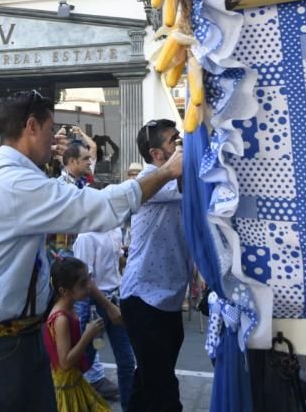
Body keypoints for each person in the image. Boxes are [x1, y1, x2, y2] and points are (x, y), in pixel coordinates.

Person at [0, 90, 183, 411]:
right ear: (31, 126)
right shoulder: (15, 183)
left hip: (7, 338)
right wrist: (166, 172)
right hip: (2, 345)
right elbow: (98, 207)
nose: (56, 141)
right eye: (51, 131)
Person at [120, 119, 192, 412]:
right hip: (145, 299)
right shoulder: (151, 181)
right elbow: (194, 178)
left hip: (165, 298)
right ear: (157, 154)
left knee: (148, 378)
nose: (182, 145)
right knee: (162, 388)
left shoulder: (172, 180)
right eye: (175, 141)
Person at [60, 140, 126, 402]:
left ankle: (91, 376)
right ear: (72, 162)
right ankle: (84, 379)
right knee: (79, 326)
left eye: (90, 158)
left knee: (88, 327)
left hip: (86, 260)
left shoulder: (84, 185)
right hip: (69, 262)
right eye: (85, 159)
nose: (90, 162)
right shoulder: (62, 187)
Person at [43, 257, 109, 412]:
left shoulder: (70, 310)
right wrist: (88, 335)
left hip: (75, 380)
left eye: (88, 280)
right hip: (66, 387)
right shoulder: (61, 319)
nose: (88, 287)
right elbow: (65, 362)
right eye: (82, 284)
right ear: (64, 291)